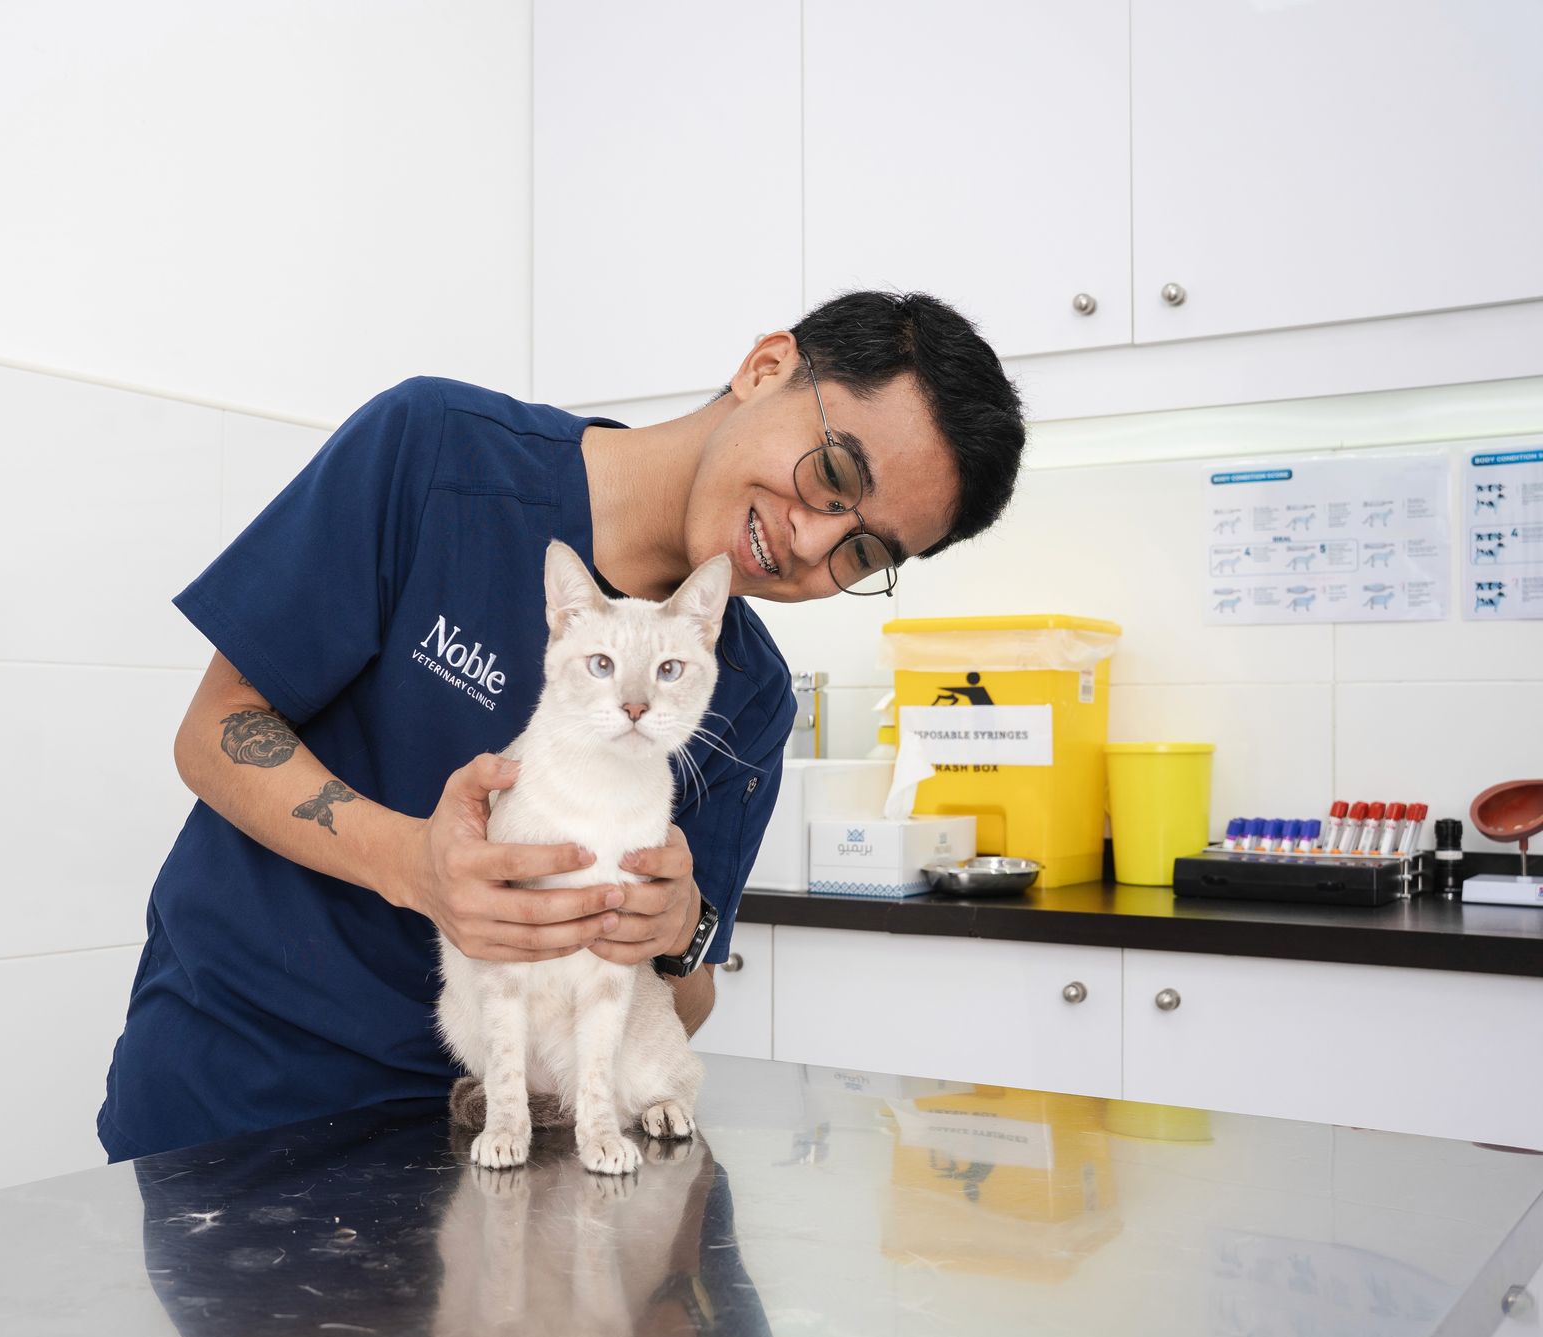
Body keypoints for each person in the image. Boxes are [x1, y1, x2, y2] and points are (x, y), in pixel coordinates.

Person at [95, 290, 1024, 1161]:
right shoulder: (437, 457)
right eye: (832, 476)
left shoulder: (744, 695)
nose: (812, 543)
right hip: (243, 1095)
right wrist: (416, 862)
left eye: (863, 550)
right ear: (766, 366)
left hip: (503, 1149)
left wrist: (676, 926)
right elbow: (214, 730)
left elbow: (681, 1000)